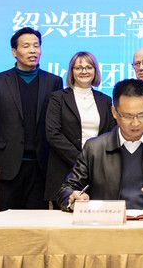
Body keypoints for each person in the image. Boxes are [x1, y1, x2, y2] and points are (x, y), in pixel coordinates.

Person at [58, 78, 143, 210]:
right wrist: (73, 198)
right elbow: (67, 188)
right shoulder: (94, 148)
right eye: (128, 116)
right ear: (114, 112)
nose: (135, 123)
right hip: (109, 223)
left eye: (142, 115)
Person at [0, 27, 63, 211]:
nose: (33, 50)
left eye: (36, 45)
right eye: (26, 46)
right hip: (7, 166)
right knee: (7, 221)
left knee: (38, 222)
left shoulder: (54, 82)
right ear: (14, 52)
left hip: (42, 167)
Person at [44, 51, 115, 204]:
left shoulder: (105, 100)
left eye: (89, 67)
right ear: (72, 71)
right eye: (78, 68)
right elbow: (53, 134)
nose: (84, 71)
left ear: (95, 71)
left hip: (98, 171)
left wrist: (95, 161)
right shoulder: (58, 98)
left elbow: (110, 133)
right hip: (65, 169)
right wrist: (82, 160)